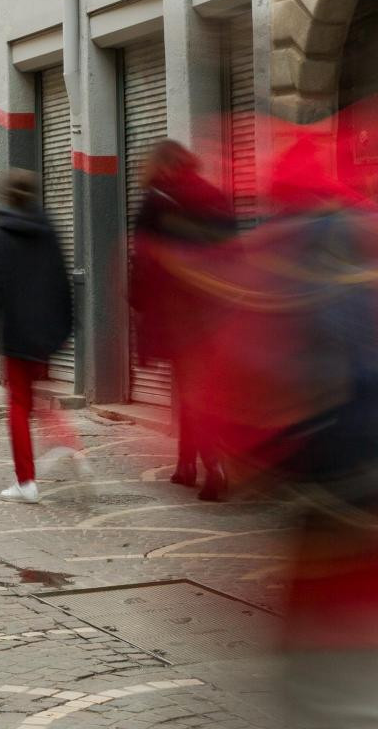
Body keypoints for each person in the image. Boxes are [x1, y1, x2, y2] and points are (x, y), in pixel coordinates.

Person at [0, 169, 87, 504]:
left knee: (18, 404)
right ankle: (69, 443)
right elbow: (61, 282)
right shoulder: (47, 231)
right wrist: (65, 328)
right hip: (45, 333)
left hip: (16, 334)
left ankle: (26, 482)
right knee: (37, 398)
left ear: (6, 197)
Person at [129, 140, 237, 501]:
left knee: (191, 390)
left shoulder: (156, 200)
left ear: (159, 165)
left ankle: (213, 466)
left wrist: (139, 302)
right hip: (216, 311)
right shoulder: (214, 195)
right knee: (196, 387)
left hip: (177, 314)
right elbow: (233, 251)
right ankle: (185, 464)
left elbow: (143, 259)